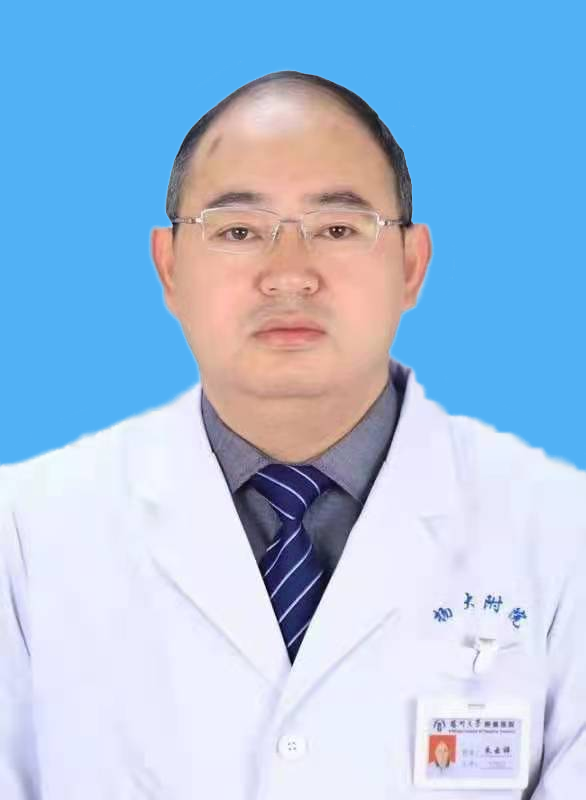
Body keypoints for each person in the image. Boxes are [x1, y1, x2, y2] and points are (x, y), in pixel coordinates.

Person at [0, 70, 584, 800]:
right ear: (169, 267)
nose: (288, 275)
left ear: (412, 265)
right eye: (238, 231)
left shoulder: (563, 534)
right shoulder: (25, 535)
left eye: (337, 229)